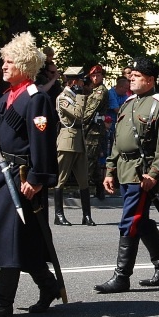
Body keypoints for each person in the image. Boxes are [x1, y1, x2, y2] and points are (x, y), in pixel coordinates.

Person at [0, 32, 60, 317]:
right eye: (4, 61)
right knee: (24, 237)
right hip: (2, 173)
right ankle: (48, 285)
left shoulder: (36, 98)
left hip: (22, 177)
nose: (4, 66)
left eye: (10, 61)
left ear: (24, 65)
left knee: (12, 235)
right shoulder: (7, 96)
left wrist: (36, 177)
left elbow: (42, 142)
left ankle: (3, 301)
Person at [94, 57, 159, 293]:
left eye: (137, 76)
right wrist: (110, 170)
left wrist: (154, 173)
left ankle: (122, 276)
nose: (131, 78)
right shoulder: (129, 103)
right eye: (131, 75)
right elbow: (118, 142)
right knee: (141, 221)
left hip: (142, 173)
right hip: (124, 169)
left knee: (130, 221)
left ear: (150, 79)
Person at [53, 84, 96, 226]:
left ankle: (87, 215)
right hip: (67, 142)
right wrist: (80, 97)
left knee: (84, 180)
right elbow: (78, 114)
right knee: (61, 179)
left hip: (79, 141)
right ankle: (58, 215)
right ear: (72, 82)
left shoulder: (75, 97)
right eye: (80, 81)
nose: (83, 85)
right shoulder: (63, 98)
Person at [83, 64, 109, 200]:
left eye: (98, 75)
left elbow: (90, 111)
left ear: (102, 76)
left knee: (89, 159)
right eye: (93, 75)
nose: (95, 78)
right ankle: (99, 187)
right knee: (90, 159)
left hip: (95, 130)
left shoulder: (100, 91)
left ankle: (85, 189)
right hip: (90, 128)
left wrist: (79, 119)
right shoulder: (94, 90)